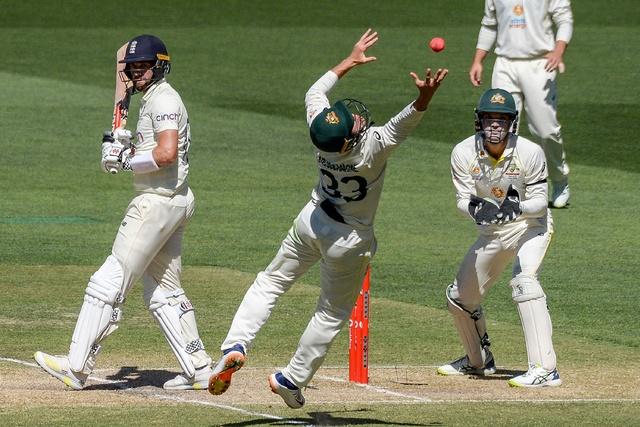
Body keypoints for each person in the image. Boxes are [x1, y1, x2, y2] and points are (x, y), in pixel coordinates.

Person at [206, 29, 448, 408]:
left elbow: (314, 92)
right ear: (349, 141)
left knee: (270, 282)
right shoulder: (373, 147)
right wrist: (425, 95)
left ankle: (235, 344)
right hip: (348, 240)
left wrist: (348, 62)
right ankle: (291, 378)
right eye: (351, 122)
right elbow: (407, 120)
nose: (355, 118)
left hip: (312, 221)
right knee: (331, 311)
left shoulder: (320, 130)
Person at [34, 34, 213, 390]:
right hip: (175, 200)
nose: (136, 73)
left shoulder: (164, 100)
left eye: (144, 66)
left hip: (155, 204)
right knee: (163, 289)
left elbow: (165, 154)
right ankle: (199, 368)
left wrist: (125, 159)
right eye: (133, 68)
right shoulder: (151, 97)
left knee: (108, 282)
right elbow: (122, 57)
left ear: (160, 66)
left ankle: (76, 367)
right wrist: (123, 144)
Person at [436, 88, 561, 388]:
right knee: (460, 297)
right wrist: (474, 208)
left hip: (531, 227)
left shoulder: (530, 152)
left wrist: (514, 209)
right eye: (490, 119)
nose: (495, 126)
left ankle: (545, 369)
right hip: (492, 233)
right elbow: (461, 200)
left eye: (502, 120)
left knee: (525, 281)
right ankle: (478, 361)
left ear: (512, 124)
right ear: (478, 122)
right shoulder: (463, 152)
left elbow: (541, 202)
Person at [469, 0, 573, 208]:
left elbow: (564, 19)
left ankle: (559, 180)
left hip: (540, 63)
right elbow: (489, 23)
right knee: (500, 129)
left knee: (545, 131)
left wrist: (558, 50)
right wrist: (478, 60)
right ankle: (505, 186)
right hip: (505, 64)